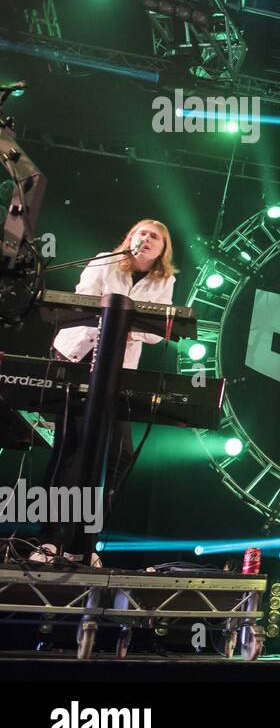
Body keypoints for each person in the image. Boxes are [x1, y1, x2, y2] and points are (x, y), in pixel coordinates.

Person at [31, 219, 178, 566]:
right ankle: (50, 540)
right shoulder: (105, 261)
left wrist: (126, 326)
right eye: (140, 232)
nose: (145, 238)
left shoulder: (165, 280)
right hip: (79, 355)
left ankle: (83, 540)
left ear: (162, 249)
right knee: (73, 448)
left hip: (118, 371)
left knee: (119, 454)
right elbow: (85, 299)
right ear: (129, 238)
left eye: (154, 236)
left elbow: (158, 330)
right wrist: (124, 323)